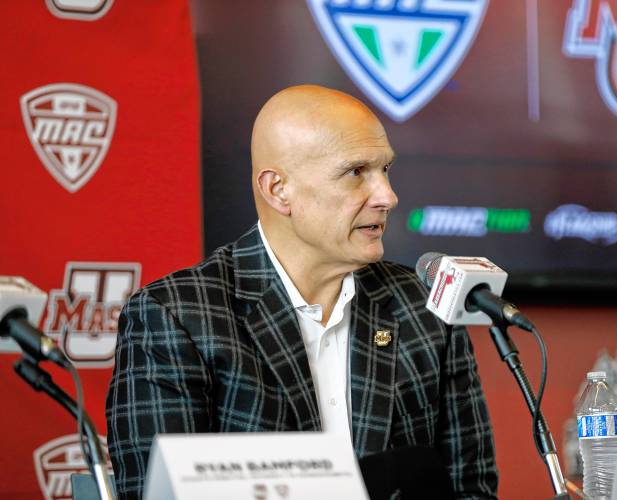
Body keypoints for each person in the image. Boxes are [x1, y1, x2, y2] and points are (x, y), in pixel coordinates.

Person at [106, 85, 498, 499]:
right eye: (355, 172)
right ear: (278, 190)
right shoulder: (177, 315)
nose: (387, 196)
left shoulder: (423, 307)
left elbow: (471, 489)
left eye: (386, 170)